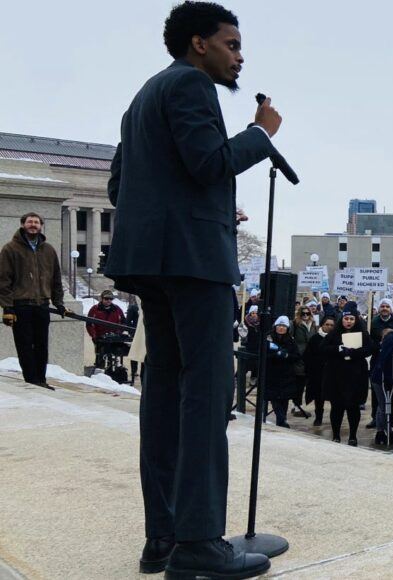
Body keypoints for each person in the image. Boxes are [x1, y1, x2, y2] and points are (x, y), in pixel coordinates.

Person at [104, 2, 280, 576]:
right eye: (231, 44)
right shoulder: (193, 86)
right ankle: (200, 543)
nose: (239, 56)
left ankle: (166, 536)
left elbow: (119, 184)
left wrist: (187, 214)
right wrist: (261, 133)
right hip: (194, 266)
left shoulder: (143, 98)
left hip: (154, 265)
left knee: (164, 393)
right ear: (199, 44)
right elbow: (210, 164)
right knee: (206, 396)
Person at [0, 212, 68, 389]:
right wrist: (7, 308)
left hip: (42, 306)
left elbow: (56, 279)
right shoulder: (10, 249)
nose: (33, 225)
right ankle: (31, 380)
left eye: (36, 222)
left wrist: (59, 303)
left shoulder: (49, 250)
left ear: (41, 226)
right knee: (25, 346)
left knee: (41, 345)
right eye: (29, 222)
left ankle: (41, 380)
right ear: (22, 224)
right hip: (21, 306)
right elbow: (3, 281)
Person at [321, 307, 374, 446]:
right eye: (346, 319)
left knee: (353, 407)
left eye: (351, 319)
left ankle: (352, 436)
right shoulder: (334, 334)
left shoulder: (363, 334)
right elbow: (323, 348)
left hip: (356, 375)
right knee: (337, 407)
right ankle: (336, 435)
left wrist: (355, 352)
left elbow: (370, 349)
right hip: (336, 375)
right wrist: (338, 349)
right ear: (342, 319)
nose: (349, 322)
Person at [264, 316, 300, 428]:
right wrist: (275, 355)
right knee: (275, 398)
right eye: (279, 325)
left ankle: (282, 419)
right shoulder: (268, 338)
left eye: (283, 326)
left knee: (284, 398)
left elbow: (297, 356)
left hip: (286, 374)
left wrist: (287, 355)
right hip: (272, 374)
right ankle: (280, 419)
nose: (281, 328)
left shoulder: (291, 341)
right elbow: (262, 354)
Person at [303, 317, 334, 426]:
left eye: (331, 325)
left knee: (334, 397)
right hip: (317, 373)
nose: (329, 327)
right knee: (318, 397)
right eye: (327, 324)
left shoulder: (335, 338)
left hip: (332, 373)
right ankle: (318, 417)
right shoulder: (315, 338)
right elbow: (308, 355)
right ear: (322, 325)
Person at [87, 289, 127, 369]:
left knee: (113, 357)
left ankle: (112, 373)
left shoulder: (117, 309)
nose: (109, 300)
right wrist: (94, 335)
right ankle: (99, 372)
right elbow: (89, 324)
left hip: (114, 338)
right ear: (102, 299)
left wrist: (119, 332)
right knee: (100, 357)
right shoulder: (94, 309)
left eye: (110, 299)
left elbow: (123, 322)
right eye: (106, 298)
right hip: (99, 337)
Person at [290, 305, 316, 418]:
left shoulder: (313, 324)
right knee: (299, 383)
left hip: (310, 357)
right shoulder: (295, 324)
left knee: (306, 382)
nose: (305, 316)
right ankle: (297, 406)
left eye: (307, 313)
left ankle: (298, 404)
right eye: (303, 314)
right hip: (299, 357)